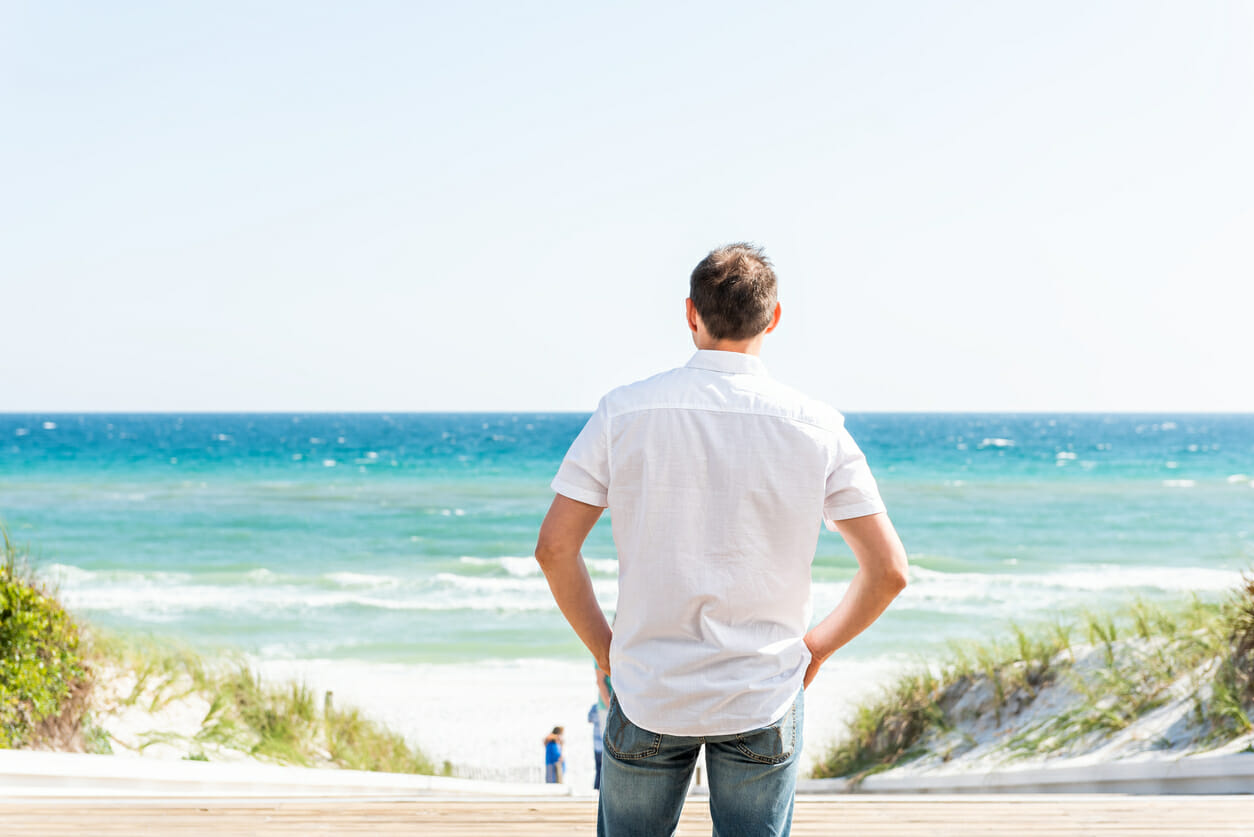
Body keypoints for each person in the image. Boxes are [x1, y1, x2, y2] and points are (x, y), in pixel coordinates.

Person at [534, 243, 909, 836]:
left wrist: (607, 652)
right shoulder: (817, 426)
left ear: (691, 314)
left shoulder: (624, 412)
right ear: (774, 317)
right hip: (763, 692)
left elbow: (554, 548)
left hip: (648, 688)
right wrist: (817, 648)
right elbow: (889, 570)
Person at [588, 700, 604, 790]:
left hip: (596, 744)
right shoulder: (607, 707)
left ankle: (597, 788)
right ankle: (600, 789)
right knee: (603, 768)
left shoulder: (594, 707)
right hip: (603, 744)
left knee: (598, 767)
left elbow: (589, 719)